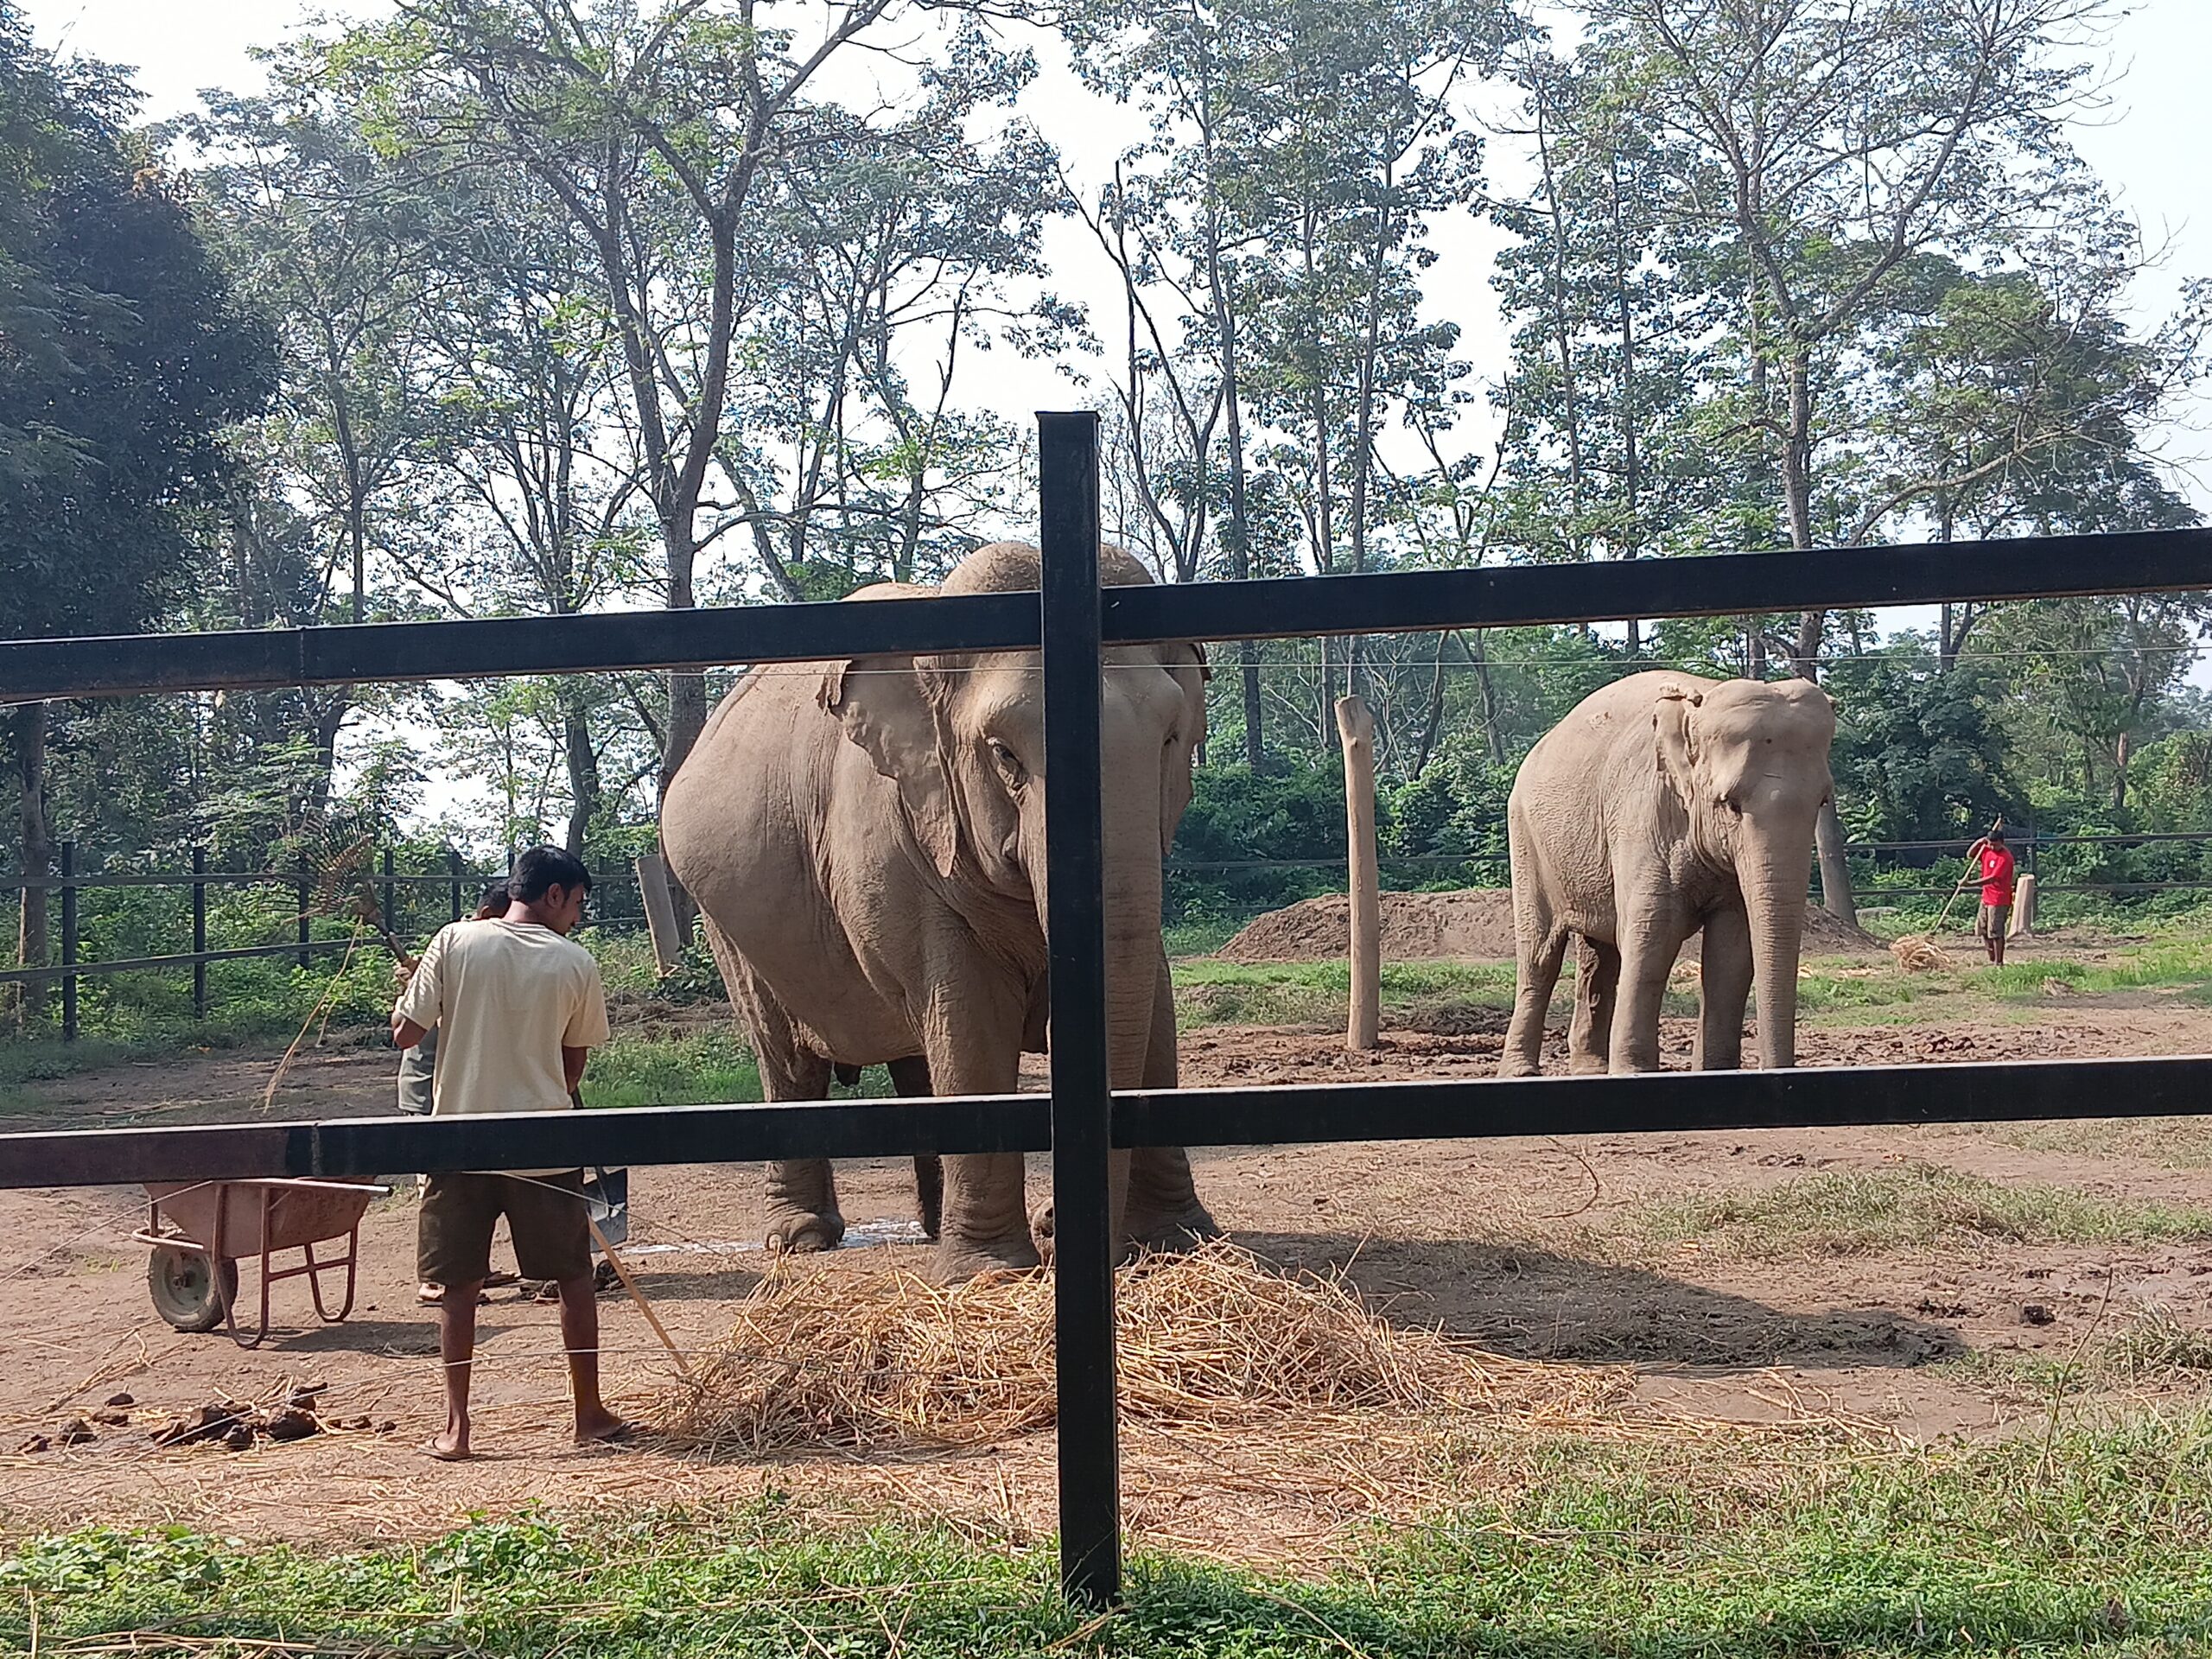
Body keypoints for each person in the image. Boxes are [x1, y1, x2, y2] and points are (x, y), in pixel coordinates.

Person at [391, 846, 626, 1461]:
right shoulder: (576, 964)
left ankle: (457, 1428)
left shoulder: (454, 941)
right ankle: (588, 1413)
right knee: (573, 1279)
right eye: (576, 904)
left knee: (457, 1287)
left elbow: (406, 1034)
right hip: (543, 1143)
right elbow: (572, 1072)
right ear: (553, 895)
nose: (576, 917)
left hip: (457, 1142)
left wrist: (420, 989)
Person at [398, 882, 519, 1306]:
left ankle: (474, 1268)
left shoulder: (478, 953)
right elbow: (410, 1028)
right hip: (429, 1088)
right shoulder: (453, 949)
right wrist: (414, 993)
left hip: (465, 1086)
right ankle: (435, 1278)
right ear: (488, 914)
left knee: (474, 1182)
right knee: (434, 1184)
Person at [1958, 822, 2018, 966]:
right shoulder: (1986, 850)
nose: (1992, 847)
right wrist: (1980, 841)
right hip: (1986, 896)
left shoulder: (2005, 858)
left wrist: (1969, 884)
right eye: (1990, 844)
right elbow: (1970, 854)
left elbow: (1993, 878)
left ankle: (1999, 962)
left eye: (1995, 845)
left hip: (1999, 898)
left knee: (1996, 931)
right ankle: (1991, 957)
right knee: (1983, 928)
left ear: (2002, 843)